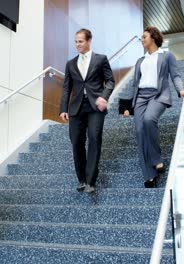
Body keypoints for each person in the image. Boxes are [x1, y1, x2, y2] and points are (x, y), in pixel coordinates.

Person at [130, 26, 184, 188]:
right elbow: (135, 84)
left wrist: (181, 90)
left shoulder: (166, 56)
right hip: (141, 97)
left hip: (159, 95)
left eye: (144, 37)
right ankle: (149, 176)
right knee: (140, 132)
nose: (142, 40)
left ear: (153, 38)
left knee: (149, 119)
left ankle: (156, 158)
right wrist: (129, 105)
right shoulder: (140, 61)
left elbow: (175, 75)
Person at [60, 28, 115, 193]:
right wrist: (63, 108)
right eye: (76, 41)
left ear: (89, 41)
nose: (77, 44)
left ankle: (91, 180)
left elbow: (110, 81)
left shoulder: (101, 59)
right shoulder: (70, 63)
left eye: (80, 41)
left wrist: (104, 97)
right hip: (76, 108)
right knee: (76, 142)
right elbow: (66, 88)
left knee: (94, 138)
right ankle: (82, 179)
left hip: (95, 106)